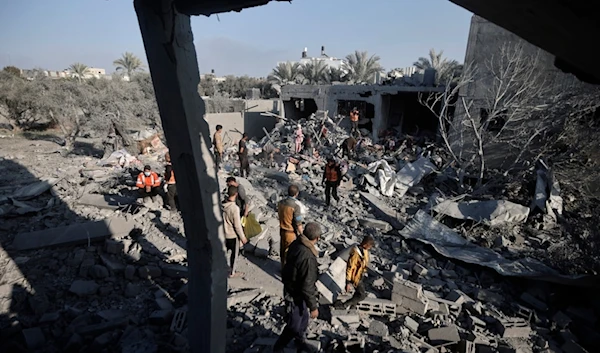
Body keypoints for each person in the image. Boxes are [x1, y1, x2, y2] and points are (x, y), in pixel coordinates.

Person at [273, 222, 321, 353]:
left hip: (292, 287)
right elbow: (307, 285)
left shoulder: (297, 242)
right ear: (317, 238)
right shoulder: (308, 257)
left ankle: (300, 341)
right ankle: (278, 348)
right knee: (294, 324)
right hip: (295, 293)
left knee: (303, 318)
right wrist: (314, 307)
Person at [335, 235, 374, 309]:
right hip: (355, 277)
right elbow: (350, 267)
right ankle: (345, 305)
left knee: (358, 293)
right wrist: (348, 282)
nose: (370, 248)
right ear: (366, 244)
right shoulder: (355, 253)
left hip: (360, 275)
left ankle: (353, 306)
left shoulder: (364, 251)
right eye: (370, 246)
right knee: (362, 296)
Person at [223, 185, 248, 278]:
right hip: (233, 236)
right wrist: (243, 237)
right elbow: (237, 225)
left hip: (223, 234)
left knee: (223, 253)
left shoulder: (222, 205)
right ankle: (232, 272)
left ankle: (222, 268)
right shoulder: (234, 208)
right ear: (236, 194)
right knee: (234, 255)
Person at [277, 185, 304, 270]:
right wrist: (302, 235)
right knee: (290, 253)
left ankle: (282, 268)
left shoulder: (281, 203)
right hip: (290, 232)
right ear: (296, 194)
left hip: (282, 230)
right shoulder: (295, 206)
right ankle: (288, 272)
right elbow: (298, 223)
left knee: (282, 250)